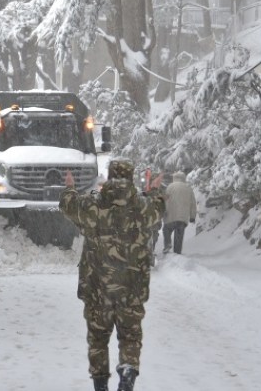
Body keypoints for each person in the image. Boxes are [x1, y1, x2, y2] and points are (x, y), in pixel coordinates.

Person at [59, 159, 165, 391]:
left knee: (98, 338)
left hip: (98, 289)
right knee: (130, 336)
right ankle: (127, 373)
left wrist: (70, 186)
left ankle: (100, 385)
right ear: (130, 177)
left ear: (110, 175)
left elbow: (67, 205)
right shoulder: (143, 208)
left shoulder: (92, 206)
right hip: (132, 289)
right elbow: (159, 207)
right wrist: (154, 188)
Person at [162, 171, 197, 255]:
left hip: (170, 216)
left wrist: (163, 211)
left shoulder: (170, 187)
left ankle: (167, 244)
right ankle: (177, 253)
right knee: (179, 235)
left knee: (166, 229)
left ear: (174, 178)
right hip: (182, 217)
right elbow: (193, 203)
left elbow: (165, 200)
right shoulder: (188, 188)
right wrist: (192, 216)